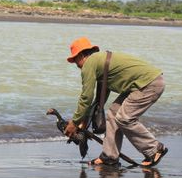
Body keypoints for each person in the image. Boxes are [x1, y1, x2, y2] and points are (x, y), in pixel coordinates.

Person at [64, 37, 168, 167]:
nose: (77, 65)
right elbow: (98, 101)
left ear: (81, 55)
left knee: (124, 118)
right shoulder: (99, 61)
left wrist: (74, 122)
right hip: (146, 83)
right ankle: (109, 156)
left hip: (148, 84)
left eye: (75, 61)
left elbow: (86, 97)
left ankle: (154, 149)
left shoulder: (89, 64)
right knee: (113, 113)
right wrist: (84, 122)